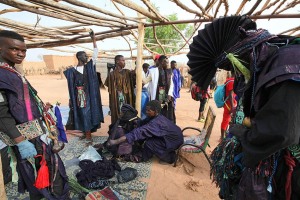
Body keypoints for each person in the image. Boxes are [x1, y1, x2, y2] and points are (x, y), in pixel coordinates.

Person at [0, 30, 69, 199]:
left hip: (35, 132)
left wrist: (40, 107)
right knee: (40, 173)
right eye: (15, 49)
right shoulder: (2, 74)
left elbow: (21, 100)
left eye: (24, 50)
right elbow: (1, 113)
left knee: (45, 170)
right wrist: (20, 141)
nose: (21, 54)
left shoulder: (12, 71)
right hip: (25, 136)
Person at [107, 100, 183, 164]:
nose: (146, 112)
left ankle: (170, 158)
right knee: (147, 138)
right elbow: (142, 123)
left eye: (149, 111)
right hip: (172, 137)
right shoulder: (155, 117)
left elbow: (139, 132)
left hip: (174, 142)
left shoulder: (156, 123)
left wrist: (115, 141)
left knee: (150, 143)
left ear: (155, 111)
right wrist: (135, 121)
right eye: (146, 110)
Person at [64, 30, 104, 141]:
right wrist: (70, 98)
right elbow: (71, 87)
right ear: (79, 57)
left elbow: (96, 53)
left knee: (88, 114)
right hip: (78, 96)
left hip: (90, 96)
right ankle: (85, 132)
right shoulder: (72, 71)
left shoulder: (89, 67)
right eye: (85, 56)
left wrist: (94, 39)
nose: (87, 57)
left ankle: (88, 135)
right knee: (81, 114)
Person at [143, 55, 175, 123]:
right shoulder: (153, 71)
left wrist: (169, 94)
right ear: (161, 62)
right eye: (167, 62)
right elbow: (145, 82)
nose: (168, 64)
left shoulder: (169, 71)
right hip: (158, 95)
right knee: (158, 113)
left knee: (167, 114)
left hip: (167, 95)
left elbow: (171, 84)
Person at [105, 55, 135, 124]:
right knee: (117, 113)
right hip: (116, 98)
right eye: (123, 60)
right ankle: (116, 128)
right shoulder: (112, 74)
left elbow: (134, 81)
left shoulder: (127, 72)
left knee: (126, 112)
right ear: (117, 61)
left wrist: (134, 72)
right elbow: (110, 88)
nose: (124, 62)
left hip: (126, 97)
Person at [220, 71, 236, 141]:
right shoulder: (232, 81)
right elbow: (230, 94)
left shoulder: (228, 80)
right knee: (226, 120)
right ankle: (222, 137)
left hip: (228, 103)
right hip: (230, 104)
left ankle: (223, 135)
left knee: (226, 120)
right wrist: (232, 107)